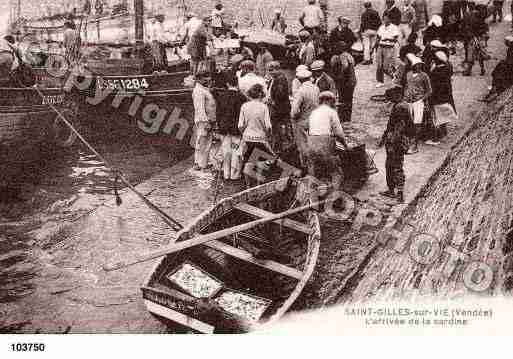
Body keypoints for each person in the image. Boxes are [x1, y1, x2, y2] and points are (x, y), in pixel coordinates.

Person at [306, 91, 348, 189]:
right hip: (324, 143)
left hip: (311, 143)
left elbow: (309, 128)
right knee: (336, 172)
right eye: (333, 101)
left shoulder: (314, 112)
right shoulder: (331, 112)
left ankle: (311, 195)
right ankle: (334, 197)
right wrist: (345, 145)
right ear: (328, 101)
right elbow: (339, 133)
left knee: (313, 173)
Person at [377, 85, 411, 203]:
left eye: (391, 97)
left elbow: (399, 128)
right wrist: (384, 138)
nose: (389, 100)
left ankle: (399, 193)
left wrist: (392, 143)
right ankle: (392, 190)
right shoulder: (401, 105)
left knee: (396, 166)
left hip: (397, 142)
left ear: (397, 95)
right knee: (391, 165)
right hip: (396, 140)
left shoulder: (400, 107)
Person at [213, 76, 246, 180]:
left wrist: (218, 125)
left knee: (226, 150)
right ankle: (234, 174)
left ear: (227, 84)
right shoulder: (241, 97)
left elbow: (218, 113)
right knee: (236, 151)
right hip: (236, 128)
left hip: (223, 127)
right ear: (237, 84)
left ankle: (226, 173)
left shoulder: (221, 96)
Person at [291, 67, 320, 167]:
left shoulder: (300, 91)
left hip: (302, 121)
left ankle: (305, 166)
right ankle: (315, 163)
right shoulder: (316, 88)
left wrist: (294, 117)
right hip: (314, 119)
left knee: (302, 145)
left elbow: (294, 111)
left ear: (299, 79)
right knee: (313, 143)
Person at [239, 84, 273, 166]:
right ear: (261, 94)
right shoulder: (264, 107)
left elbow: (240, 125)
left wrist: (244, 133)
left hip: (247, 138)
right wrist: (268, 136)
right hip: (260, 138)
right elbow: (268, 126)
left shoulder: (244, 106)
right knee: (261, 162)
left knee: (248, 161)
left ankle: (248, 177)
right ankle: (258, 176)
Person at [403, 54, 432, 153]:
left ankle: (414, 145)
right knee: (409, 122)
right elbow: (406, 86)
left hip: (418, 101)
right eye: (416, 65)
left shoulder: (424, 76)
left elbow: (429, 90)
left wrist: (423, 99)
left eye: (420, 65)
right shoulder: (408, 74)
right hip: (408, 100)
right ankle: (408, 143)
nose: (418, 67)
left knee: (417, 123)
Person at [427, 51, 455, 145]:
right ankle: (444, 132)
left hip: (436, 98)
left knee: (436, 118)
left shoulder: (435, 72)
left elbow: (432, 86)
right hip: (445, 96)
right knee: (443, 116)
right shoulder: (447, 69)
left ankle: (435, 138)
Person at [192, 71, 217, 171]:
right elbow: (199, 108)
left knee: (206, 141)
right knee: (202, 141)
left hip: (208, 119)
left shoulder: (203, 89)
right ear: (198, 79)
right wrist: (205, 121)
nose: (208, 79)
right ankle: (200, 163)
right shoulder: (198, 91)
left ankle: (203, 162)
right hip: (204, 120)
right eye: (205, 78)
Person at [266, 61, 292, 155]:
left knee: (278, 128)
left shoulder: (280, 79)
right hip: (275, 107)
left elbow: (280, 94)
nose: (269, 72)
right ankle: (278, 146)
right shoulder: (274, 78)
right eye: (269, 70)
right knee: (276, 129)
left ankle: (279, 148)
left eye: (271, 70)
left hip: (279, 109)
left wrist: (272, 101)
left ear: (277, 69)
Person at [330, 41, 356, 122]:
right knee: (349, 99)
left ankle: (343, 117)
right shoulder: (349, 55)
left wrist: (339, 76)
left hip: (346, 81)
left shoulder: (342, 56)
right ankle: (347, 117)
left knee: (343, 98)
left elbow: (345, 67)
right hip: (352, 80)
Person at [375, 14, 400, 88]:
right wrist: (375, 46)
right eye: (384, 19)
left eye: (387, 19)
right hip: (380, 47)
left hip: (389, 47)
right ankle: (380, 81)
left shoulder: (394, 27)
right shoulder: (381, 27)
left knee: (386, 66)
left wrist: (387, 39)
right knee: (379, 65)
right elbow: (378, 37)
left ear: (390, 19)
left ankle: (394, 76)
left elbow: (395, 39)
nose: (385, 20)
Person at [485, 36, 513, 101]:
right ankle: (494, 90)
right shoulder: (510, 48)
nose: (505, 44)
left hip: (510, 67)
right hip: (509, 66)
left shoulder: (511, 49)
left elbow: (510, 61)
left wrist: (504, 62)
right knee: (497, 70)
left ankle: (495, 90)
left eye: (506, 42)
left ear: (509, 42)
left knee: (497, 72)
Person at [463, 6, 489, 76]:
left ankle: (469, 71)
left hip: (473, 38)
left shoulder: (470, 16)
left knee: (471, 54)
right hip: (478, 38)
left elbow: (468, 28)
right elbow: (485, 29)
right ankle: (482, 69)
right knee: (480, 54)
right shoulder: (481, 18)